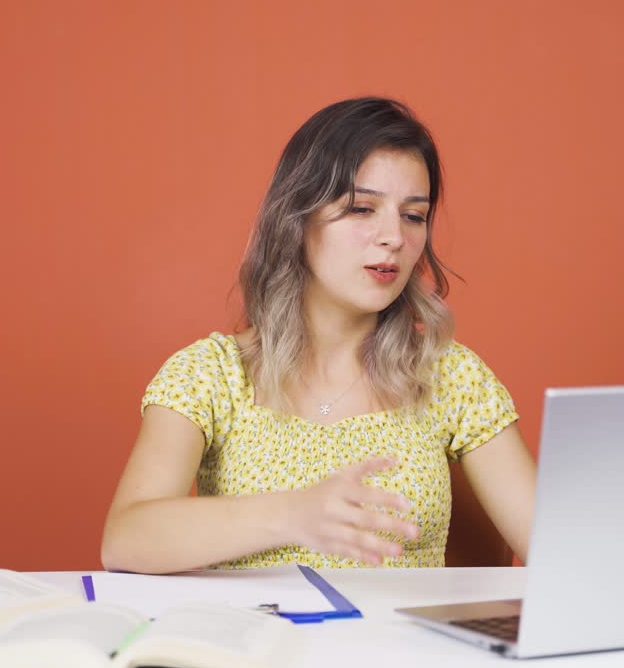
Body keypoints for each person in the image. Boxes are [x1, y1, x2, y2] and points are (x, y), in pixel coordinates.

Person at [101, 97, 536, 573]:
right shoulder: (210, 374)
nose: (393, 236)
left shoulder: (450, 375)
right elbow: (126, 540)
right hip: (261, 644)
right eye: (362, 208)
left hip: (400, 646)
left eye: (413, 216)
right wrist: (292, 514)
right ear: (297, 218)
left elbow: (558, 555)